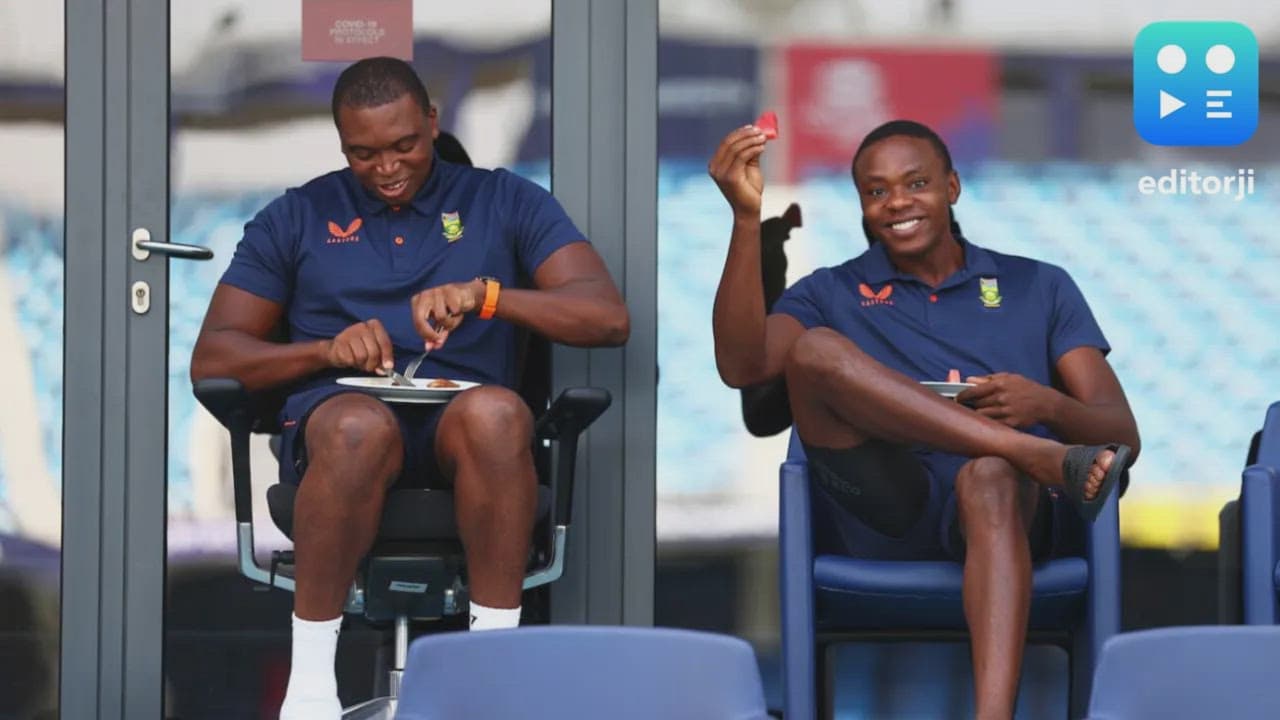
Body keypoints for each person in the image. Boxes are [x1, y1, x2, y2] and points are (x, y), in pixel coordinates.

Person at [189, 57, 629, 719]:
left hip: (466, 440)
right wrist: (322, 350)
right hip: (341, 434)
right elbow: (213, 357)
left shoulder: (503, 200)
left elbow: (606, 317)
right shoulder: (298, 215)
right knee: (358, 426)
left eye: (404, 145)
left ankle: (492, 683)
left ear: (432, 121)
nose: (387, 168)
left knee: (497, 414)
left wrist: (487, 297)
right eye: (363, 154)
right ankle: (310, 690)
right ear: (341, 143)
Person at [708, 119, 1139, 719]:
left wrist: (1046, 405)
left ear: (952, 187)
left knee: (990, 475)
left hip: (1009, 512)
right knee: (814, 351)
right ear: (862, 205)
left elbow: (1120, 436)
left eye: (916, 183)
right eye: (876, 191)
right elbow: (742, 366)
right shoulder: (828, 292)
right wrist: (745, 218)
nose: (897, 202)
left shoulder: (1039, 285)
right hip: (890, 508)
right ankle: (1027, 452)